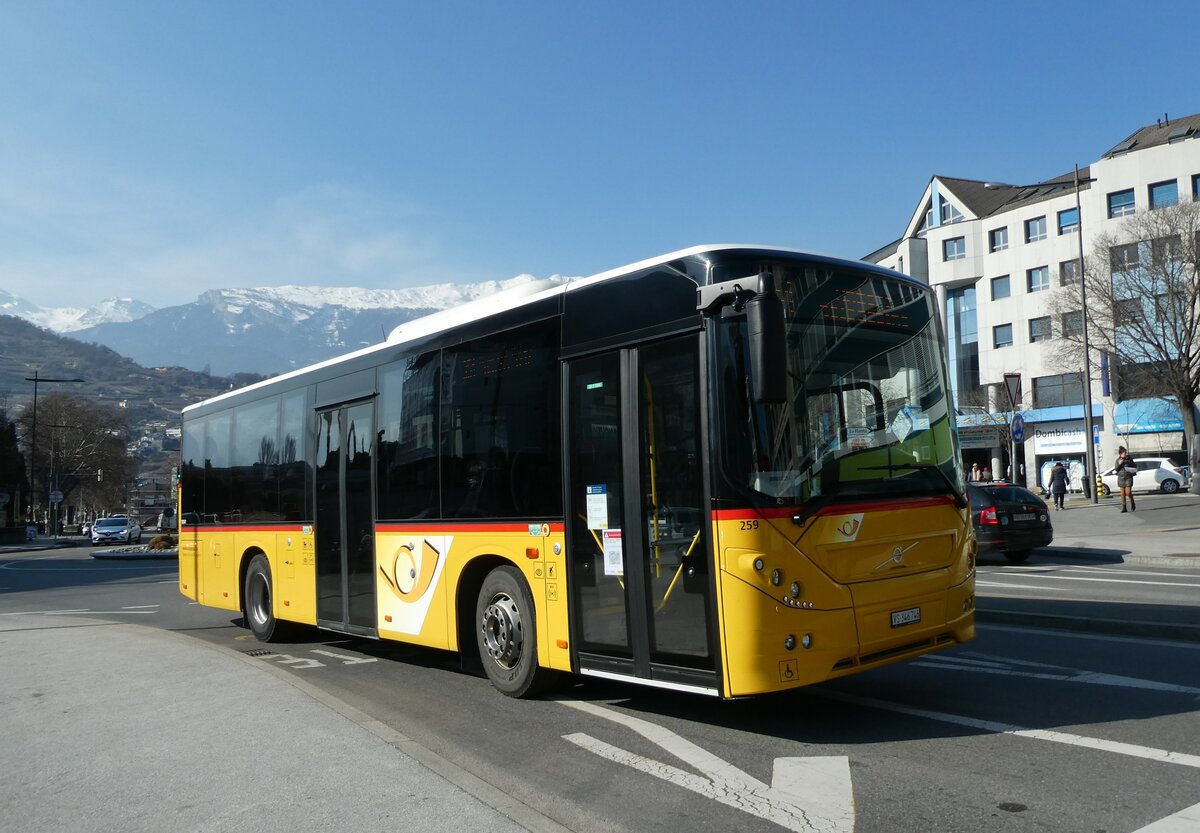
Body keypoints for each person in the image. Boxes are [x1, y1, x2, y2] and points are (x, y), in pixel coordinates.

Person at [1115, 446, 1137, 512]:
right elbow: (1116, 469)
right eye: (1124, 452)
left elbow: (1135, 466)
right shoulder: (1117, 460)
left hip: (1128, 477)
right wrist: (1119, 464)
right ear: (1121, 454)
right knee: (1122, 494)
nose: (1126, 453)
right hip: (1121, 478)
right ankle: (1124, 507)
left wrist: (1132, 470)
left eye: (1126, 452)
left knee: (1128, 492)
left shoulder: (1129, 459)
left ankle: (1132, 502)